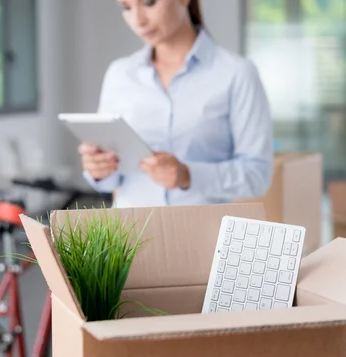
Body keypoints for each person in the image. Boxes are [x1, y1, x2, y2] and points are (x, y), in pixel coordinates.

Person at [78, 0, 273, 208]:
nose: (138, 20)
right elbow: (110, 182)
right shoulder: (120, 74)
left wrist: (188, 175)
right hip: (131, 235)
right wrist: (99, 171)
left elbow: (257, 176)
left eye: (149, 3)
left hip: (203, 233)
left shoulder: (236, 73)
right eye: (127, 8)